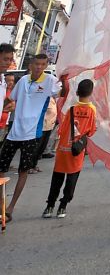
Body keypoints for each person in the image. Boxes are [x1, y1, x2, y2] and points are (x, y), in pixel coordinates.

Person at [0, 51, 61, 218]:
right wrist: (3, 109)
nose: (39, 67)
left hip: (32, 134)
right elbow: (10, 100)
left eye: (42, 65)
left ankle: (10, 208)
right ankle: (2, 204)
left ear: (46, 66)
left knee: (23, 171)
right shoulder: (23, 81)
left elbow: (62, 92)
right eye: (36, 64)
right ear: (31, 65)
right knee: (1, 169)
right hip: (14, 133)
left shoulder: (50, 81)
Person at [43, 78, 97, 218]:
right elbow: (91, 131)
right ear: (91, 92)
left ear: (78, 91)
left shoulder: (71, 109)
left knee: (57, 178)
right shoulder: (91, 110)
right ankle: (63, 206)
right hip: (76, 149)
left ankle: (49, 206)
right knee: (71, 179)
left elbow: (61, 130)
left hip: (63, 149)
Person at [0, 42, 15, 143]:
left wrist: (9, 104)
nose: (8, 63)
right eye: (5, 59)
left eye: (10, 59)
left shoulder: (3, 80)